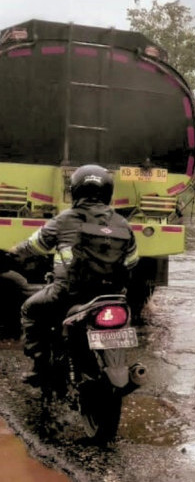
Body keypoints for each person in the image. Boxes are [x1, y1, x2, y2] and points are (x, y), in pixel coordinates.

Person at [12, 164, 139, 385]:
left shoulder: (65, 219)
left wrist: (13, 254)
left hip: (69, 293)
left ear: (76, 190)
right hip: (112, 296)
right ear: (108, 192)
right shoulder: (123, 224)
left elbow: (35, 246)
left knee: (29, 310)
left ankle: (40, 367)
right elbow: (132, 261)